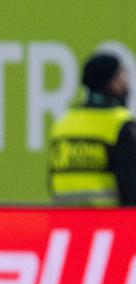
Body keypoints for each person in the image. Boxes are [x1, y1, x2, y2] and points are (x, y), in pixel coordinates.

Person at [48, 52, 136, 206]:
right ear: (109, 82)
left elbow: (52, 179)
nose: (126, 83)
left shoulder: (63, 124)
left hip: (64, 221)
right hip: (109, 224)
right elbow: (131, 184)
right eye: (121, 77)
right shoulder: (120, 123)